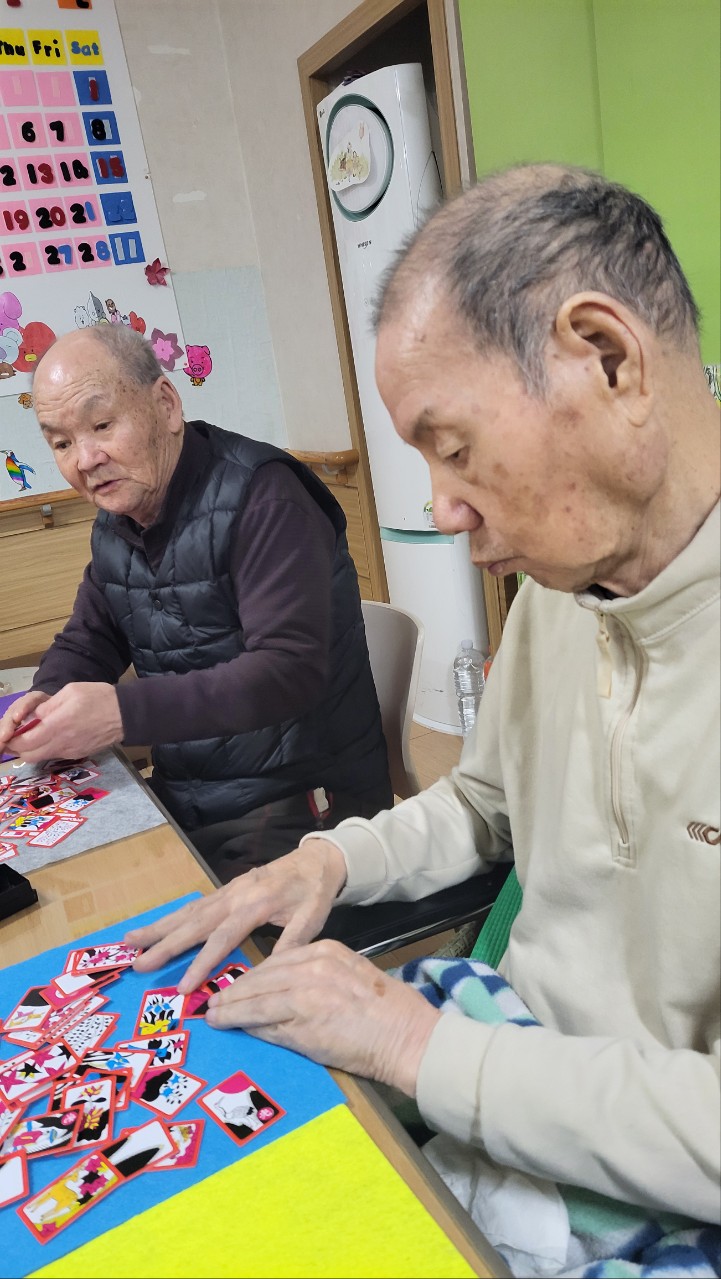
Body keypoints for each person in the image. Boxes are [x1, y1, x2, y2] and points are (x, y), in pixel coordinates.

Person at [123, 164, 720, 1248]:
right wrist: (329, 861)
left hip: (636, 1165)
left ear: (607, 359)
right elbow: (483, 804)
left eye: (452, 448)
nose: (442, 511)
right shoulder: (562, 583)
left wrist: (412, 1045)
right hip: (499, 1071)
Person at [0, 325, 392, 871]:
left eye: (103, 425)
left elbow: (288, 672)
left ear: (165, 404)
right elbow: (91, 637)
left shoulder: (265, 497)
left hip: (302, 807)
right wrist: (45, 697)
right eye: (61, 443)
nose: (85, 459)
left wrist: (120, 713)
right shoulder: (119, 518)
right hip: (191, 795)